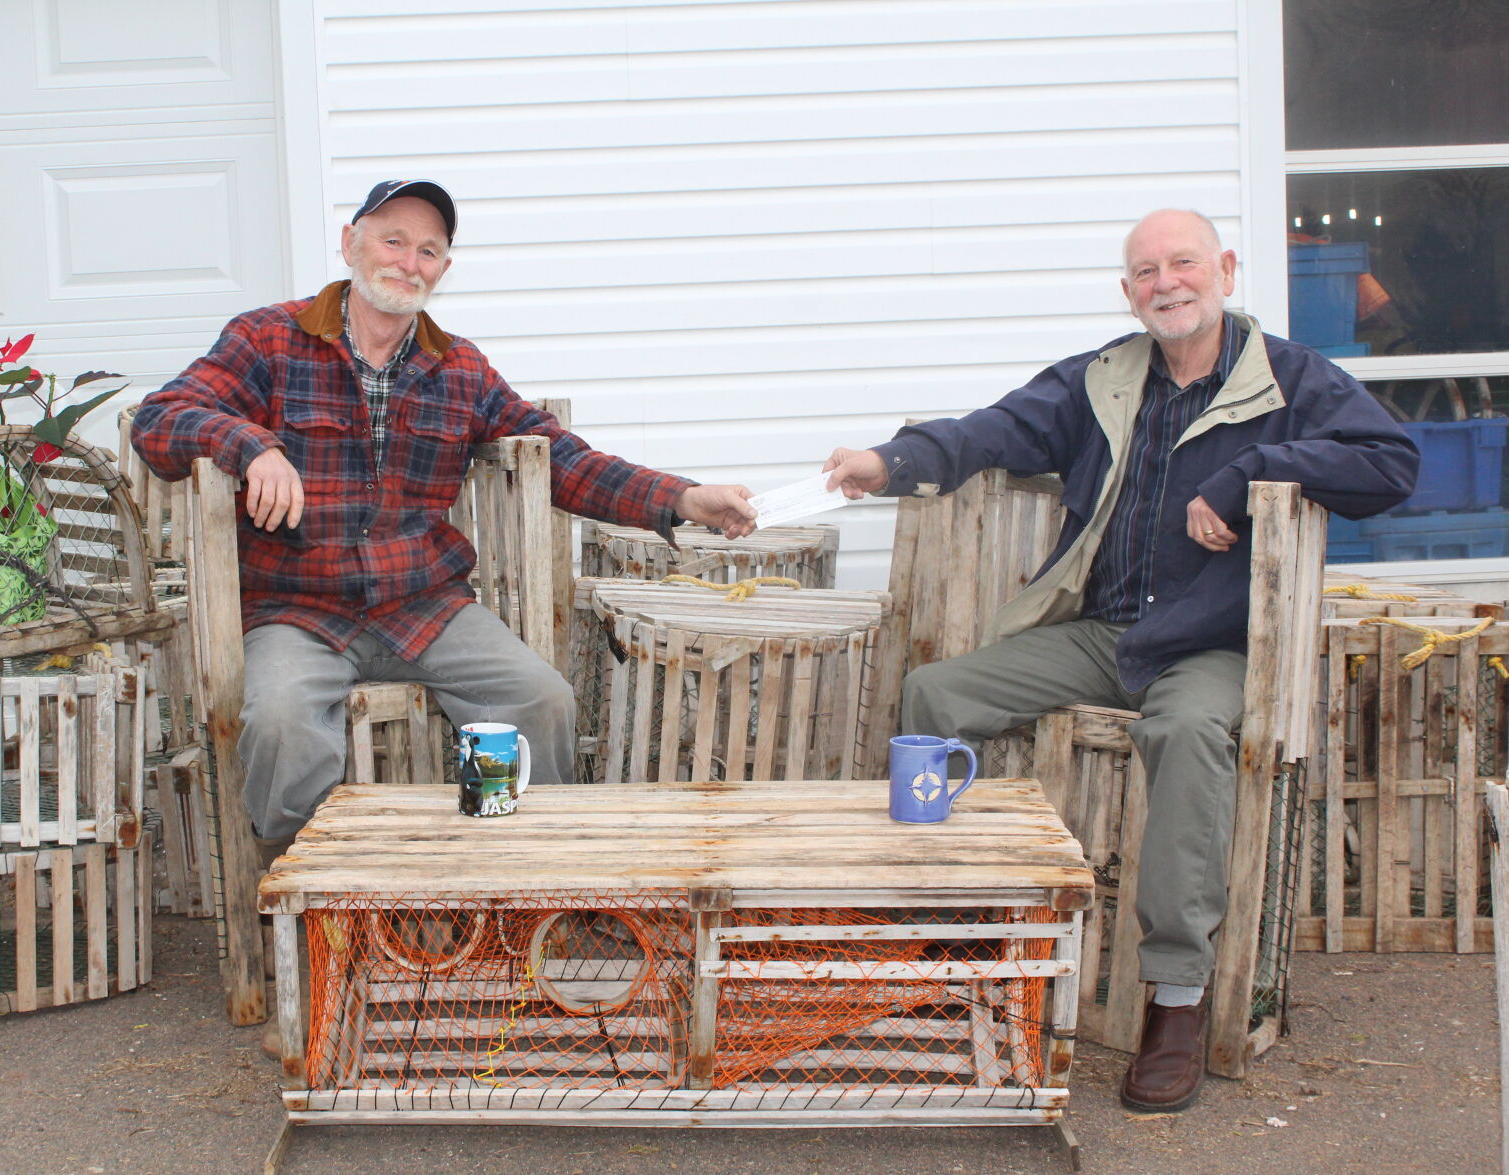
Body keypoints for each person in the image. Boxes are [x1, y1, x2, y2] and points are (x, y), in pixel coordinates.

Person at [823, 209, 1419, 1112]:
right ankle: (951, 936)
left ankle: (1173, 997)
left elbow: (1391, 462)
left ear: (1222, 268)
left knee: (1182, 731)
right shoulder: (1102, 378)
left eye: (1182, 263)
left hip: (1210, 646)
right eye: (1145, 271)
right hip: (1103, 633)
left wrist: (1251, 471)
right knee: (935, 693)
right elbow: (992, 431)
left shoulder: (1290, 378)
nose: (1165, 283)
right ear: (1127, 290)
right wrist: (889, 459)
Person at [132, 178, 757, 847]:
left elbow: (561, 460)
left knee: (539, 699)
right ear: (350, 244)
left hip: (423, 603)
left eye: (428, 251)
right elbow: (161, 419)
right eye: (393, 240)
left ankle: (511, 874)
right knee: (281, 721)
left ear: (444, 270)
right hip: (295, 608)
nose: (408, 261)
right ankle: (314, 898)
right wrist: (250, 444)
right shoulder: (268, 338)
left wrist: (683, 499)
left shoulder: (458, 366)